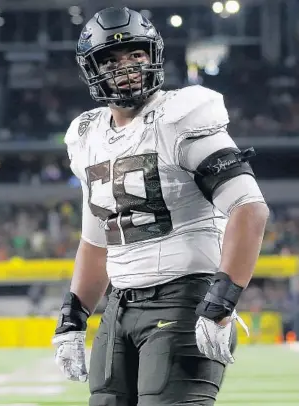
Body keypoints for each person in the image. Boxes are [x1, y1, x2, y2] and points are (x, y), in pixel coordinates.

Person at [52, 6, 269, 406]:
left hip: (184, 297)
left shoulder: (181, 116)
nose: (127, 67)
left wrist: (221, 302)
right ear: (91, 68)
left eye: (136, 55)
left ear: (153, 56)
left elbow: (248, 208)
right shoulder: (87, 135)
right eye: (112, 59)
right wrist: (73, 316)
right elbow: (96, 239)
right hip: (120, 304)